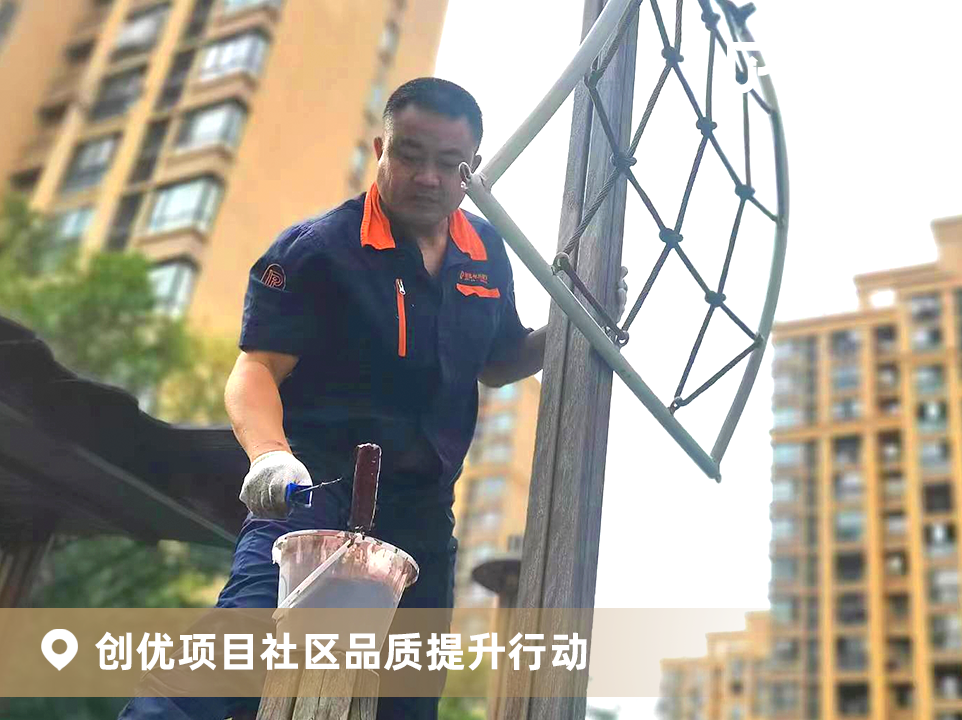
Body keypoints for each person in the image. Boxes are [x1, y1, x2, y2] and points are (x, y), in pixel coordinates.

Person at [118, 77, 627, 720]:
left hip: (422, 512)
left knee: (405, 697)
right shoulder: (319, 250)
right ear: (381, 148)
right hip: (315, 489)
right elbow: (255, 370)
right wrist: (270, 455)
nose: (428, 178)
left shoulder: (486, 252)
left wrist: (569, 328)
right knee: (241, 656)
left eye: (450, 163)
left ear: (472, 167)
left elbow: (499, 364)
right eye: (410, 155)